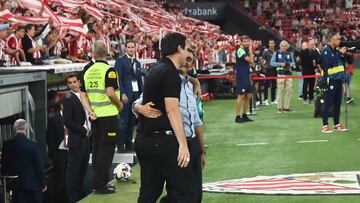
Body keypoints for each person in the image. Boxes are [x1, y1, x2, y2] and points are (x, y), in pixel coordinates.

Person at [133, 50, 206, 203]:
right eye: (185, 58)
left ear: (192, 65)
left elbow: (197, 121)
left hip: (191, 143)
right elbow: (140, 101)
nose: (186, 62)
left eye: (190, 60)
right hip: (175, 144)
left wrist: (201, 150)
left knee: (194, 194)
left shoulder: (191, 86)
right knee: (185, 192)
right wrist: (139, 108)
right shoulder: (165, 80)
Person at [81, 40, 123, 194]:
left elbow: (83, 94)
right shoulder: (109, 71)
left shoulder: (88, 71)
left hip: (95, 117)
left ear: (93, 53)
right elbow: (111, 92)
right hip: (109, 116)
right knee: (106, 150)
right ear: (107, 53)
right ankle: (101, 184)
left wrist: (90, 110)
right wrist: (119, 105)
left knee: (97, 149)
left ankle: (97, 183)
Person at [1, 119, 47, 203]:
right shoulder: (33, 145)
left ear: (15, 129)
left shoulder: (7, 145)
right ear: (26, 129)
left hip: (16, 185)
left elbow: (4, 167)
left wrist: (6, 187)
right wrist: (43, 183)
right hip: (33, 185)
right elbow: (38, 165)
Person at [63, 73, 91, 202]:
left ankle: (81, 196)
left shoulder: (85, 96)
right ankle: (73, 198)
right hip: (77, 140)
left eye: (75, 81)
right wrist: (83, 130)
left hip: (86, 139)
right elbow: (67, 121)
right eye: (70, 83)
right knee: (73, 173)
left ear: (79, 82)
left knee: (83, 170)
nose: (73, 84)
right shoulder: (68, 98)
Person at [114, 40, 143, 152]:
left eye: (133, 47)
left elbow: (140, 81)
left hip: (135, 95)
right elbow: (118, 79)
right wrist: (122, 93)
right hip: (126, 95)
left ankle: (129, 143)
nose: (131, 49)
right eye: (129, 47)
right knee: (123, 121)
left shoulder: (137, 63)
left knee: (132, 121)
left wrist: (142, 96)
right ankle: (120, 145)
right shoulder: (120, 61)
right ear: (125, 49)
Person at [320, 32, 348, 133]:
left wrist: (342, 54)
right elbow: (329, 63)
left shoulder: (336, 50)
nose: (339, 41)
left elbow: (342, 63)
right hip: (330, 80)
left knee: (337, 103)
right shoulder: (326, 51)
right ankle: (325, 125)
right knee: (328, 103)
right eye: (337, 39)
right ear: (331, 39)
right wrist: (340, 54)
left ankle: (336, 124)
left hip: (338, 79)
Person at [46, 95, 68, 203]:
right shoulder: (53, 120)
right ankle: (59, 198)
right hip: (59, 153)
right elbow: (49, 138)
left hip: (72, 152)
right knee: (59, 178)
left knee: (70, 176)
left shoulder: (74, 118)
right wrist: (54, 155)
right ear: (62, 106)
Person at [270, 40, 295, 113]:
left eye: (285, 46)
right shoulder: (276, 53)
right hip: (280, 73)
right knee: (280, 90)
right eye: (282, 46)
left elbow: (293, 63)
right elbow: (271, 63)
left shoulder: (290, 53)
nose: (284, 47)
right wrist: (280, 64)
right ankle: (279, 108)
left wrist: (290, 64)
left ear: (287, 47)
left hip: (288, 73)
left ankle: (286, 107)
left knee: (289, 90)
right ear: (280, 46)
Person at [235, 35, 255, 123]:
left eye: (248, 41)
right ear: (241, 42)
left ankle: (244, 115)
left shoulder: (246, 51)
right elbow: (251, 61)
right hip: (241, 76)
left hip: (247, 75)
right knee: (241, 96)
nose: (247, 43)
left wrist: (249, 77)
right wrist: (251, 50)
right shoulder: (240, 50)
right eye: (245, 41)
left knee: (249, 95)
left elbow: (252, 63)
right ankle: (237, 116)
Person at [261, 39, 277, 105]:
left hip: (274, 70)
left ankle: (273, 100)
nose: (271, 44)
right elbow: (262, 61)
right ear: (268, 44)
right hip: (268, 71)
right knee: (266, 85)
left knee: (274, 85)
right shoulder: (266, 52)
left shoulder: (276, 52)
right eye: (270, 43)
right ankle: (265, 99)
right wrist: (265, 67)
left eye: (272, 43)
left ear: (274, 44)